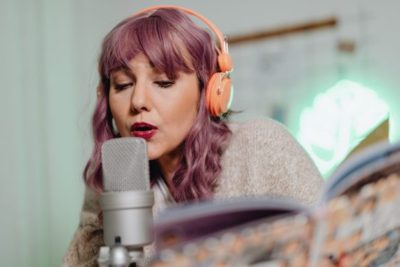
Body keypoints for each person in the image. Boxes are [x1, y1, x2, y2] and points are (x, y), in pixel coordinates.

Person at [62, 5, 323, 266]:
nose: (138, 101)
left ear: (208, 93)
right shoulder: (115, 175)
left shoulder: (262, 146)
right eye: (123, 85)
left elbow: (339, 247)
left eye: (163, 82)